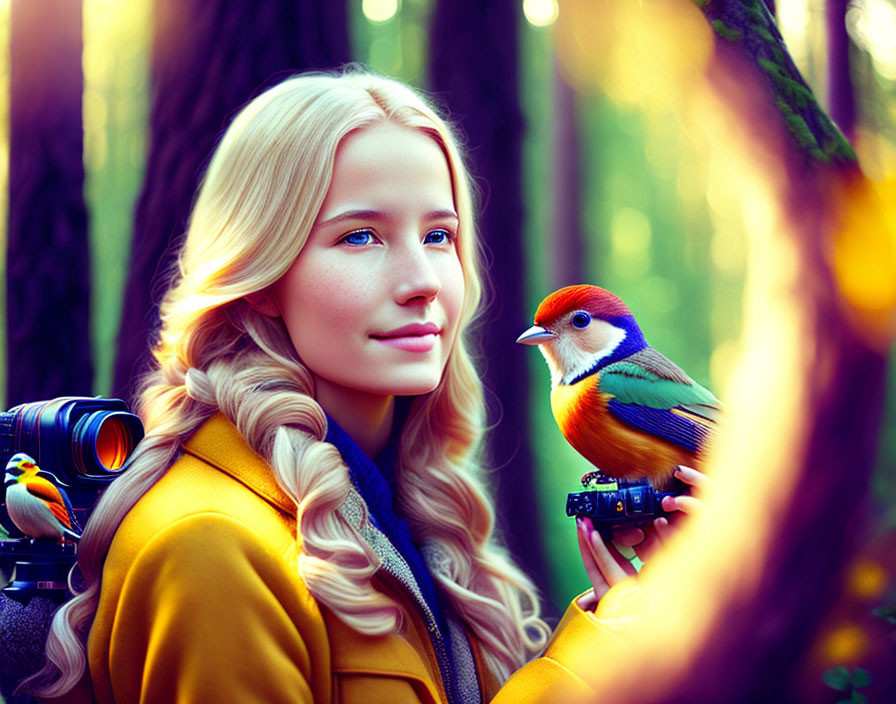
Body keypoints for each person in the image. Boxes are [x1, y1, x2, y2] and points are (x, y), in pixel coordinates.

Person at [28, 69, 702, 703]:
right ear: (261, 279)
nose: (423, 281)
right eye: (360, 237)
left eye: (440, 235)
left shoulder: (404, 506)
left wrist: (621, 630)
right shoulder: (212, 548)